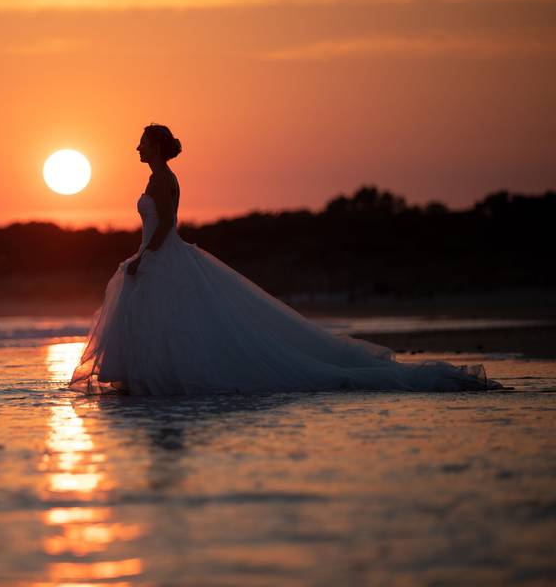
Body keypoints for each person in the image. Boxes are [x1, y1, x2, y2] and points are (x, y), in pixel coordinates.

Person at [70, 124, 500, 395]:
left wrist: (143, 258)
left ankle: (162, 383)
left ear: (157, 146)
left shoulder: (162, 178)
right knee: (172, 326)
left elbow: (165, 225)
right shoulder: (158, 176)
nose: (137, 147)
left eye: (142, 142)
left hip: (162, 256)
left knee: (177, 326)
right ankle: (150, 382)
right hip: (161, 256)